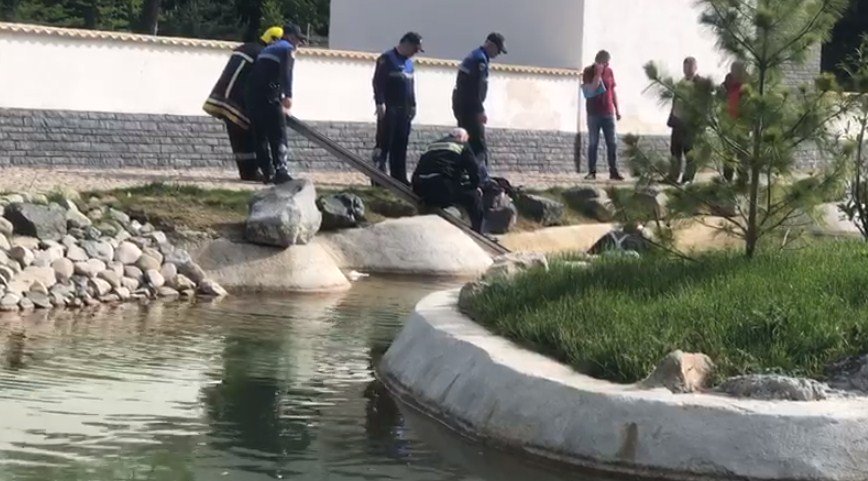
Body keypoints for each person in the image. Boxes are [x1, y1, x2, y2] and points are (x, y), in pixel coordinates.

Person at [203, 26, 284, 181]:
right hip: (240, 100)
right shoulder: (263, 54)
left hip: (222, 97)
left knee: (238, 136)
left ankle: (247, 172)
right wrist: (275, 97)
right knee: (251, 135)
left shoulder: (246, 48)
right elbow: (264, 79)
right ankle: (258, 172)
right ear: (274, 40)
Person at [245, 23, 307, 184]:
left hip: (252, 96)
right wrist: (288, 97)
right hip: (269, 96)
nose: (299, 44)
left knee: (260, 136)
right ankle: (281, 171)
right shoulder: (287, 49)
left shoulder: (267, 49)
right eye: (298, 40)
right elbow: (287, 73)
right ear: (290, 37)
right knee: (278, 134)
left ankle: (267, 172)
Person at [371, 32, 424, 185]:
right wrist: (379, 102)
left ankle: (399, 177)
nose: (415, 53)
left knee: (401, 144)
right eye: (415, 49)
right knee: (384, 143)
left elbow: (411, 86)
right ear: (406, 44)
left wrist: (413, 105)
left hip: (405, 109)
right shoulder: (387, 59)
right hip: (390, 108)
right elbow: (378, 82)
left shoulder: (409, 63)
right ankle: (378, 178)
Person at [412, 128, 485, 233]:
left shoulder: (432, 145)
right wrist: (476, 186)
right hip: (441, 187)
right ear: (462, 137)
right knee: (474, 197)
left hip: (419, 186)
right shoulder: (462, 145)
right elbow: (474, 170)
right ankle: (478, 233)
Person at [452, 33, 507, 167]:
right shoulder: (480, 60)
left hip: (463, 105)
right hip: (470, 108)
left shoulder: (475, 55)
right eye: (498, 50)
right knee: (478, 145)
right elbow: (474, 88)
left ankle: (465, 173)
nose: (497, 54)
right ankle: (480, 175)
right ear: (491, 45)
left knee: (466, 143)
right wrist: (480, 110)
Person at [582, 50, 624, 181]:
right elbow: (592, 88)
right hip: (593, 113)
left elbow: (612, 91)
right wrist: (598, 74)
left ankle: (613, 171)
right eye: (605, 63)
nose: (606, 66)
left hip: (608, 112)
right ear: (599, 62)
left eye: (607, 64)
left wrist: (617, 109)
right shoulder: (588, 71)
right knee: (593, 143)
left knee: (612, 143)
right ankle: (592, 171)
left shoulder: (610, 72)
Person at [666, 56, 701, 185]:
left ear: (695, 67)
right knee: (675, 150)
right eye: (685, 66)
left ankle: (688, 178)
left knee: (689, 151)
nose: (687, 69)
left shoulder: (699, 83)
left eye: (690, 66)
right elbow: (675, 101)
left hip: (690, 123)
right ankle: (673, 176)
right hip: (677, 121)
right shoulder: (680, 83)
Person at [722, 60, 747, 184]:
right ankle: (727, 178)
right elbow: (720, 97)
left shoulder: (747, 85)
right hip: (728, 123)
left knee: (743, 153)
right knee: (728, 153)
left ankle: (743, 179)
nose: (735, 73)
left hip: (743, 125)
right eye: (733, 70)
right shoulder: (727, 83)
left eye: (737, 70)